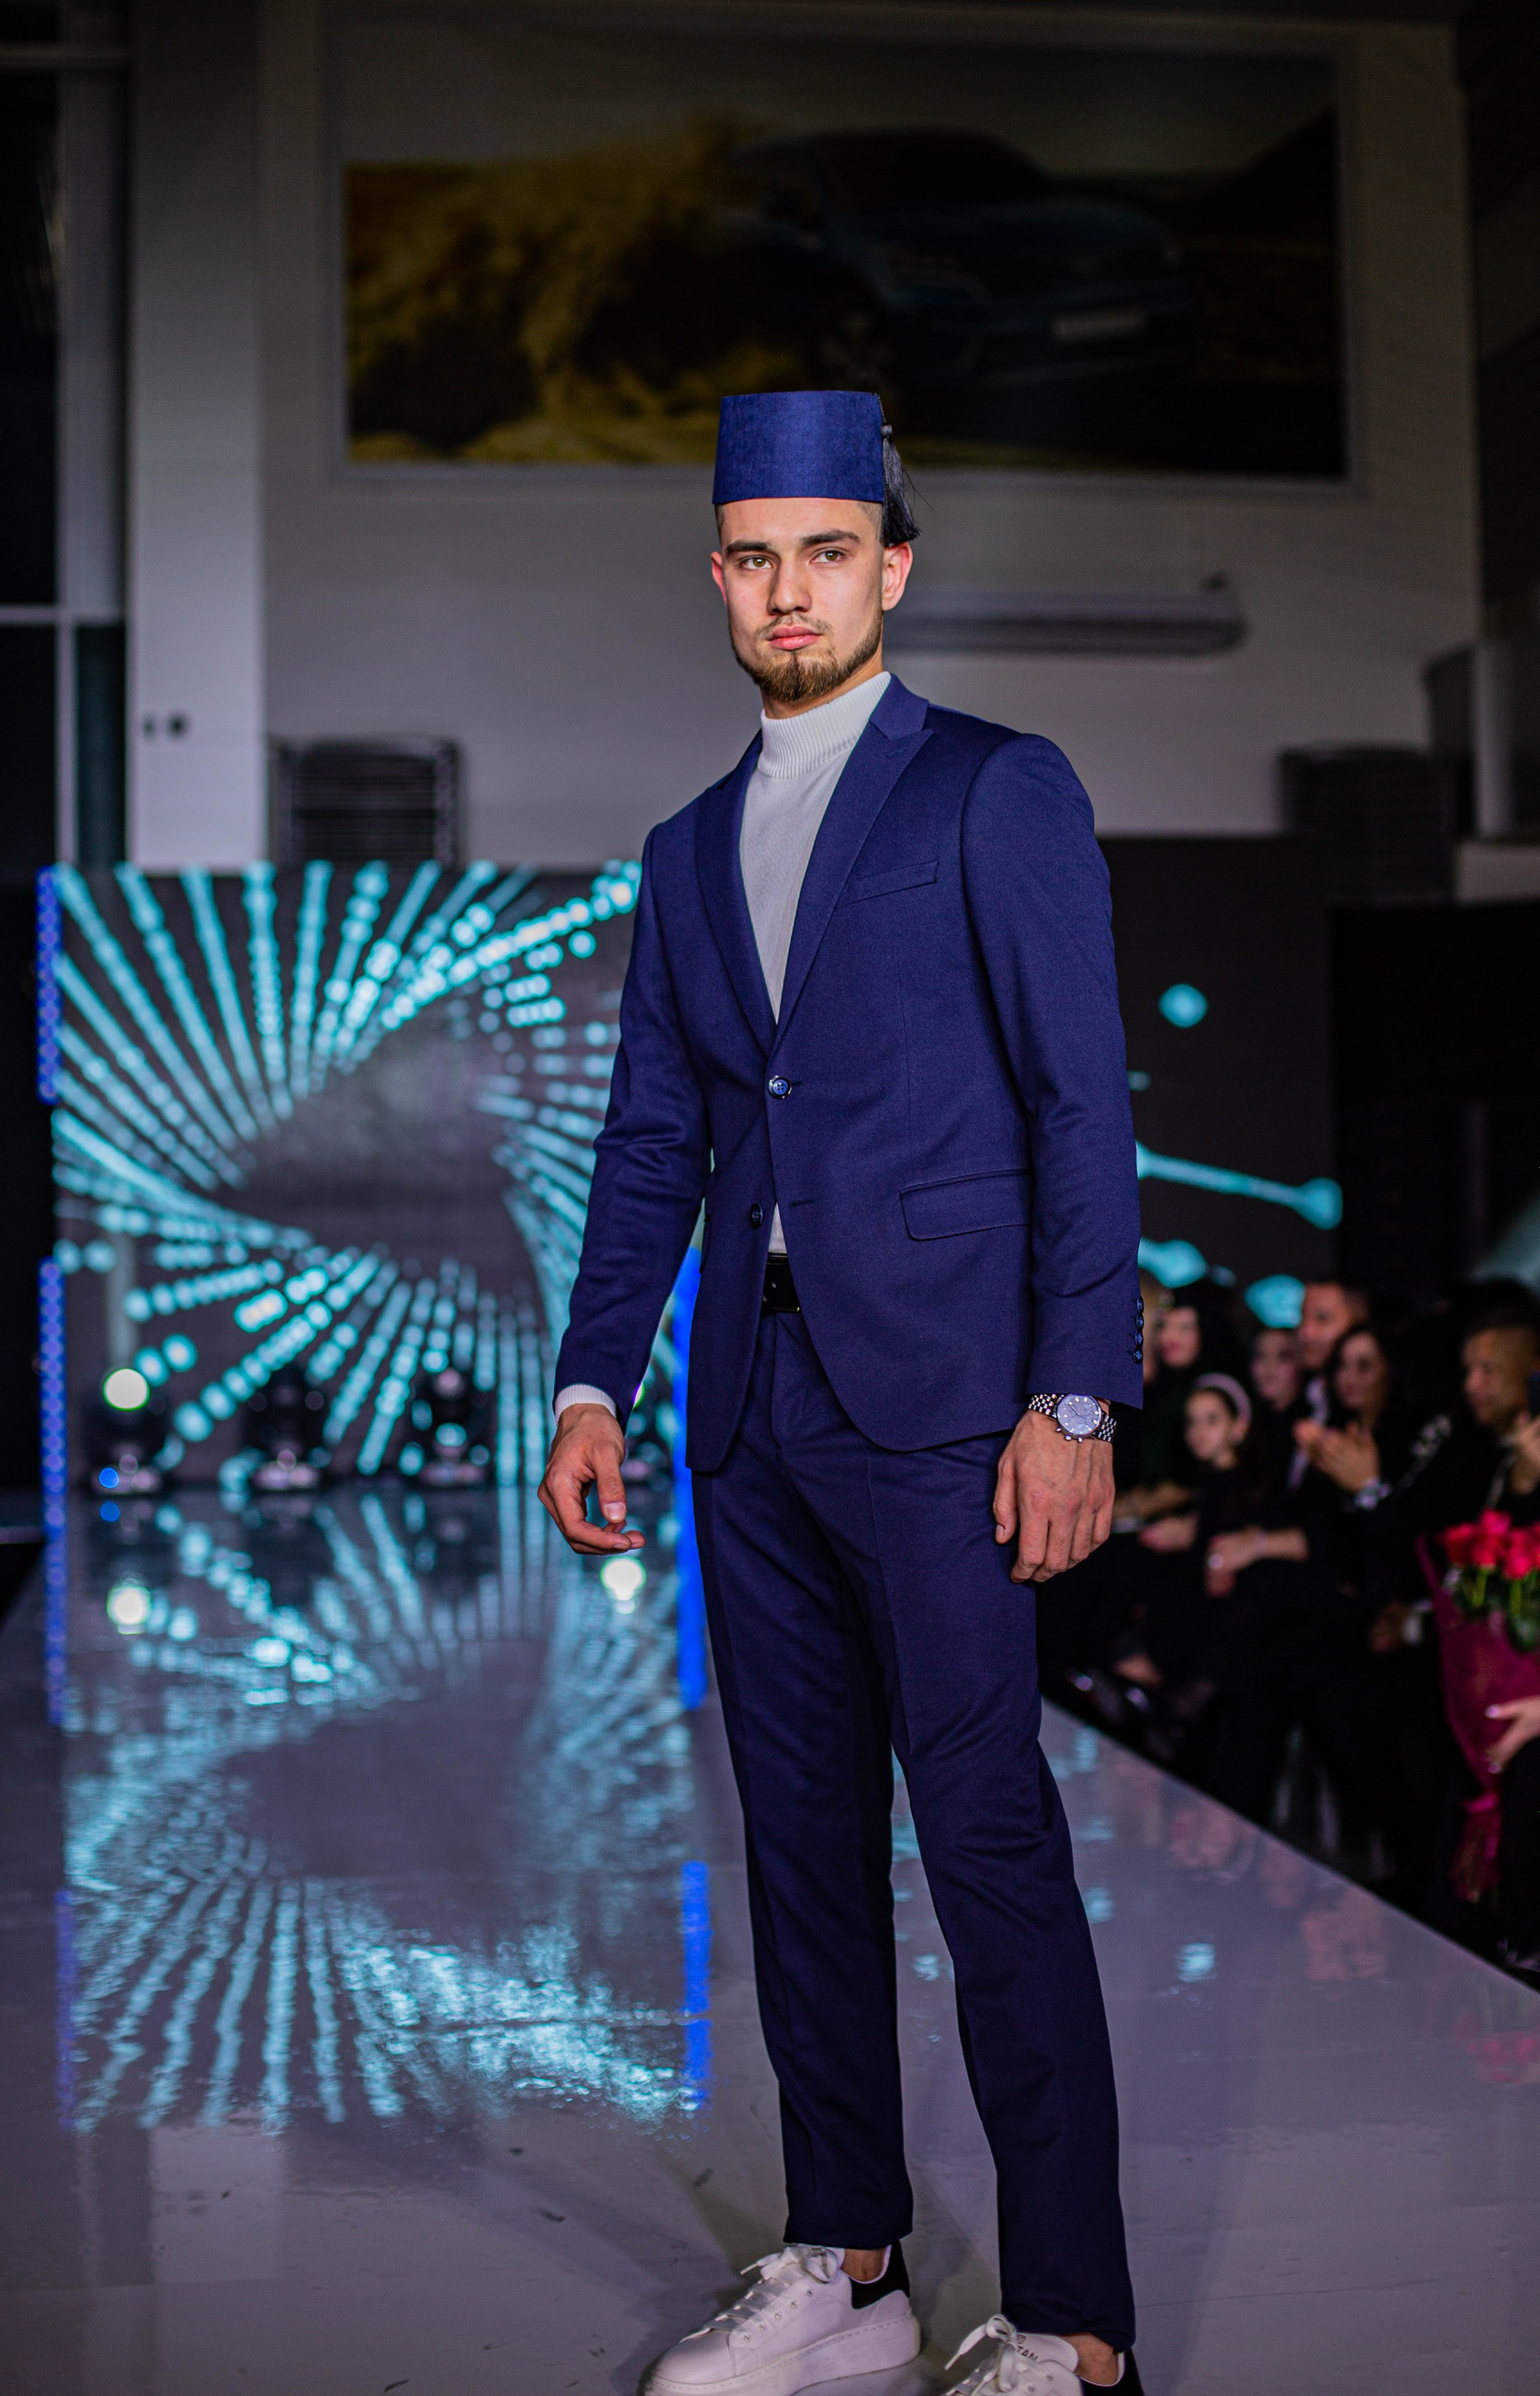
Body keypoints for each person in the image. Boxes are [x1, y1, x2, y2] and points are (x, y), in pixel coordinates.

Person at [539, 389, 1145, 2396]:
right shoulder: (683, 849)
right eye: (754, 557)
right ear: (716, 578)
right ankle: (849, 2262)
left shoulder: (994, 787)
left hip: (955, 1407)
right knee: (797, 1848)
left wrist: (1077, 1395)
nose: (788, 590)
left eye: (826, 553)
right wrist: (593, 1380)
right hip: (754, 1404)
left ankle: (1072, 2326)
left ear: (890, 567)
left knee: (985, 1845)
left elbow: (1080, 1105)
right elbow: (654, 1141)